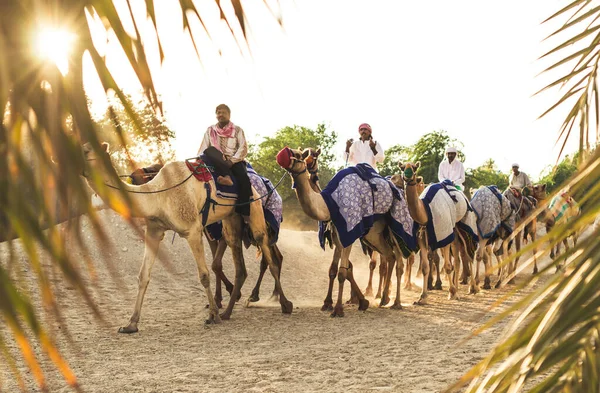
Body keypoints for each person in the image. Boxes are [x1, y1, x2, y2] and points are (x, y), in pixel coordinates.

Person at [198, 104, 251, 219]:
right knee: (210, 150)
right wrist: (198, 161)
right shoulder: (210, 130)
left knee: (244, 180)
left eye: (223, 113)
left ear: (229, 115)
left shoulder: (237, 130)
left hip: (234, 161)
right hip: (215, 160)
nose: (220, 115)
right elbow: (203, 147)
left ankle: (244, 213)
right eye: (218, 112)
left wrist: (232, 161)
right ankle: (226, 177)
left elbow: (243, 148)